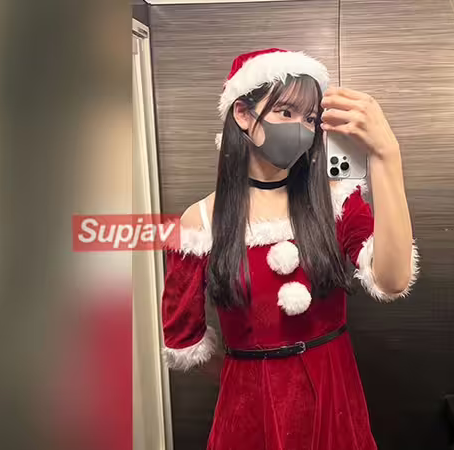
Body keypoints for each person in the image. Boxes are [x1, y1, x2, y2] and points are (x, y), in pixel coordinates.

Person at [161, 48, 419, 449]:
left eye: (310, 118)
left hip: (335, 399)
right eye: (286, 112)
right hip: (250, 411)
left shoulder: (336, 201)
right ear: (242, 114)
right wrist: (253, 372)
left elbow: (393, 279)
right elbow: (183, 337)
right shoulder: (201, 222)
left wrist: (387, 156)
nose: (301, 128)